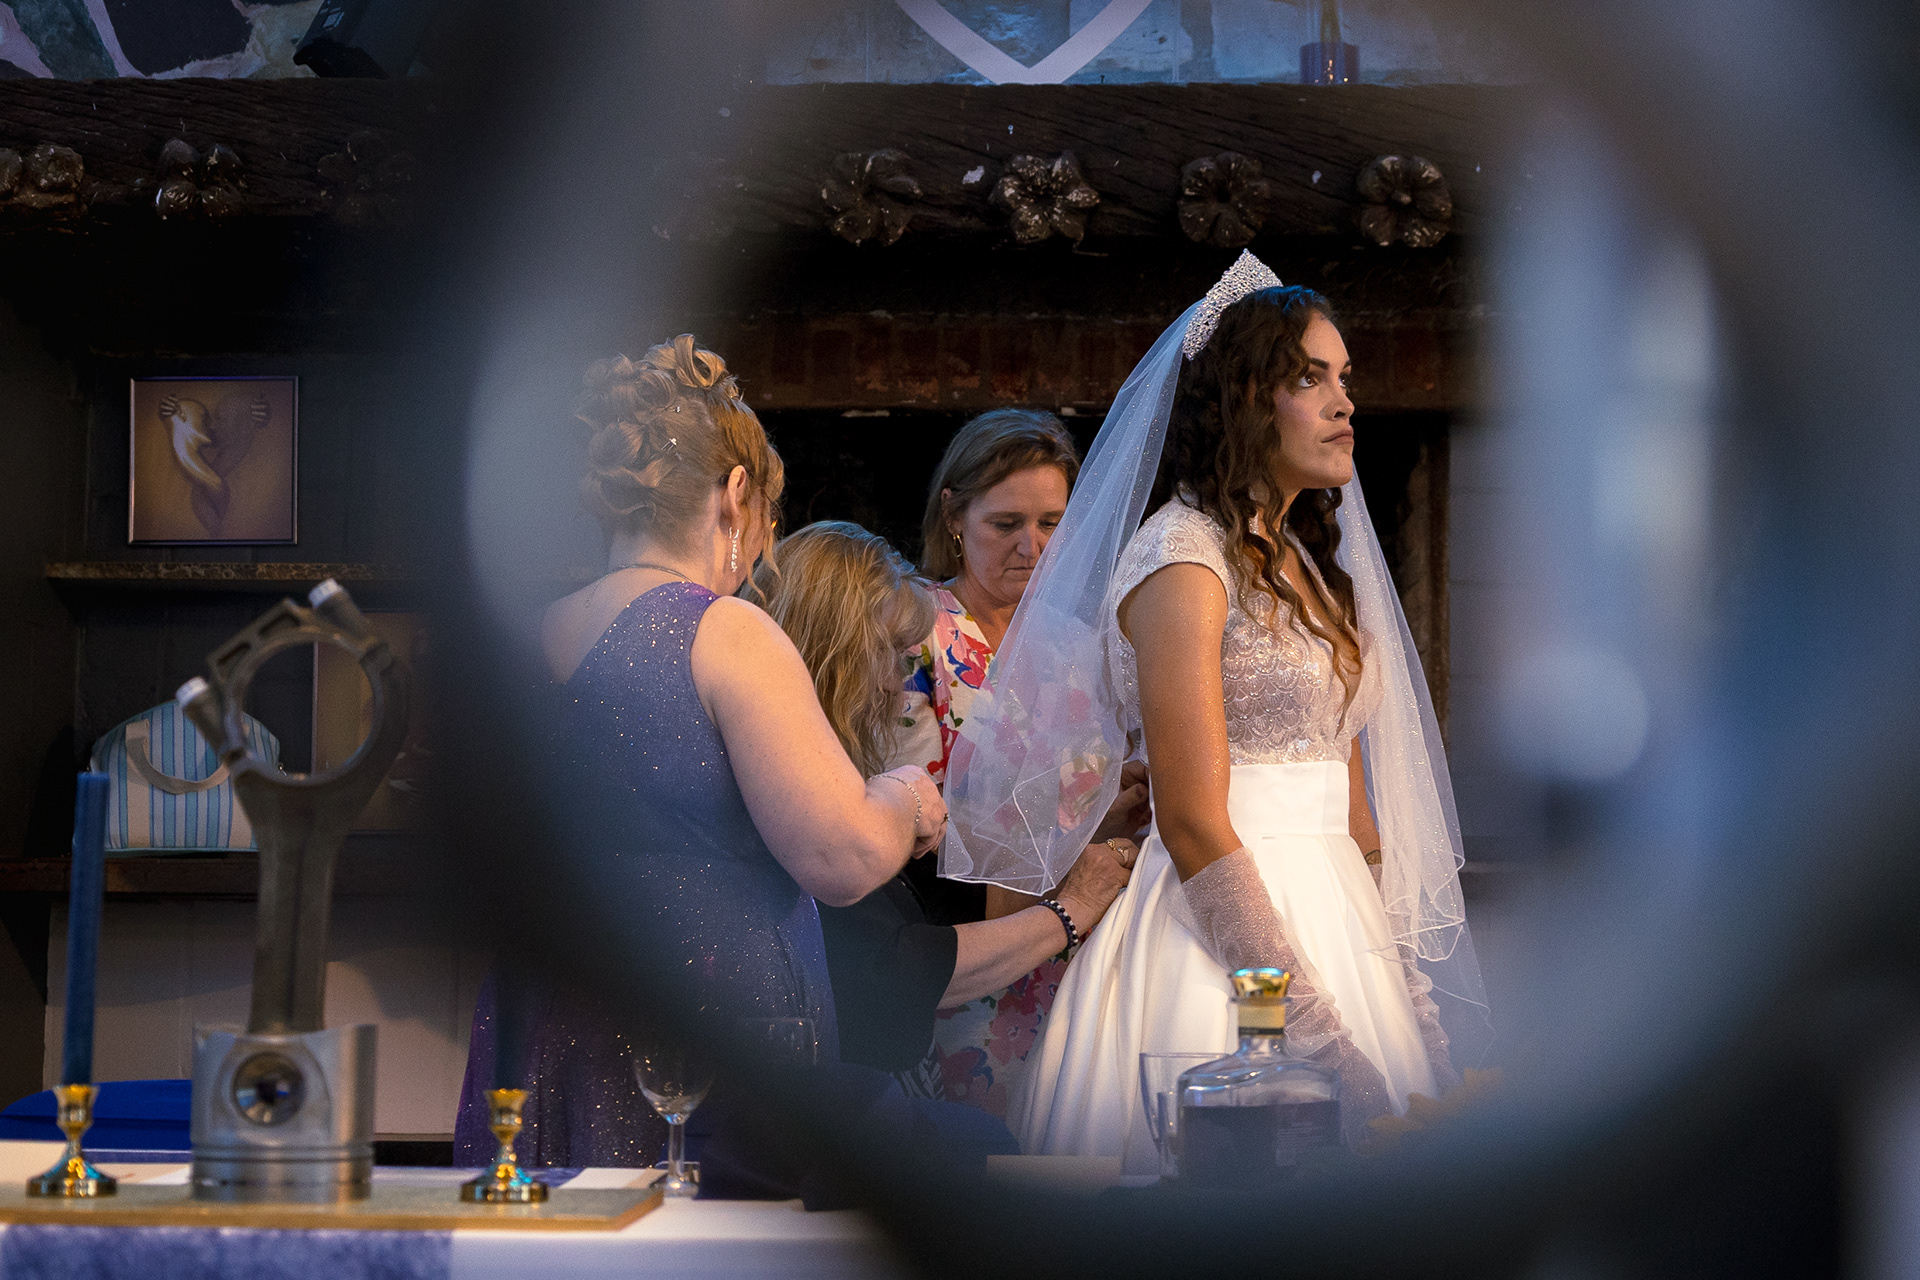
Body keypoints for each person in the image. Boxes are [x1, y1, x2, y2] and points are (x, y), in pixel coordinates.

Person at [943, 253, 1490, 1173]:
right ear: (1243, 399)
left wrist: (1411, 1003)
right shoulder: (1182, 558)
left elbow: (1355, 811)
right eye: (1310, 379)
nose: (1345, 402)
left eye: (1343, 377)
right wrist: (1319, 1046)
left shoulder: (1308, 566)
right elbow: (1193, 822)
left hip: (1341, 918)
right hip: (1219, 938)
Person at [455, 337, 946, 1168]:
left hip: (542, 1019)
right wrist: (904, 795)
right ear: (736, 494)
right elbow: (844, 855)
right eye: (767, 521)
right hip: (699, 1036)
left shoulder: (528, 637)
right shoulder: (725, 632)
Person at [752, 521, 1137, 1098]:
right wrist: (1072, 909)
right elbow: (895, 966)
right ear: (832, 653)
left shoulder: (826, 767)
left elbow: (939, 899)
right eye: (886, 654)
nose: (894, 683)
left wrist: (1093, 822)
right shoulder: (793, 782)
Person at [882, 409, 1150, 1116]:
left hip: (1074, 954)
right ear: (954, 517)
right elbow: (906, 819)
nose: (1032, 546)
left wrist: (1113, 801)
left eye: (1052, 523)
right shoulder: (913, 628)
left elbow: (1080, 805)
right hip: (964, 954)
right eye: (1006, 524)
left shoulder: (1079, 645)